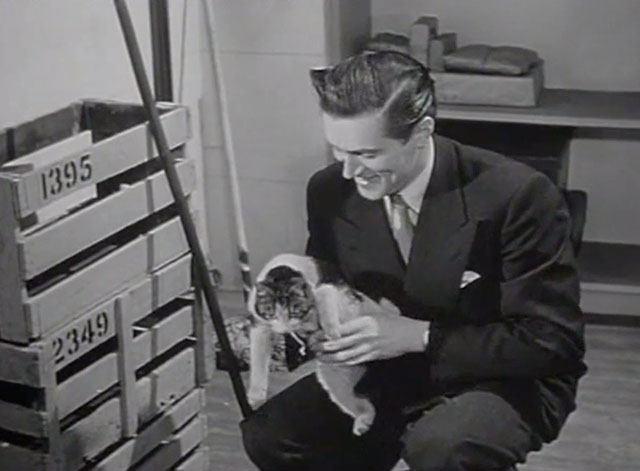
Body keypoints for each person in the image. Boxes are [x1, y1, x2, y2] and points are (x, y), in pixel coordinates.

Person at [240, 50, 587, 471]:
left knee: (442, 448)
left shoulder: (518, 195)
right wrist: (287, 335)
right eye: (338, 150)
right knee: (272, 436)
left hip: (501, 376)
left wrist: (418, 336)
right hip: (385, 370)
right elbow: (327, 288)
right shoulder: (329, 190)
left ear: (422, 133)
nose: (349, 172)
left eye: (367, 154)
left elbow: (552, 344)